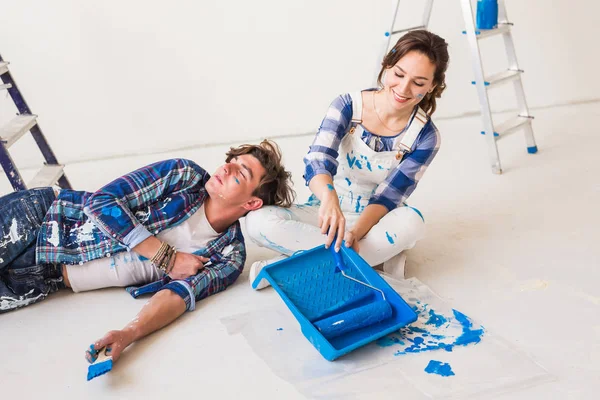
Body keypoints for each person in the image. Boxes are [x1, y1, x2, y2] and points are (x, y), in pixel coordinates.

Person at [0, 139, 294, 365]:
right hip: (40, 220)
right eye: (231, 161)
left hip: (45, 279)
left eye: (239, 174)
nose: (226, 167)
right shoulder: (185, 176)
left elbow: (179, 295)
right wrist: (167, 257)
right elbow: (100, 203)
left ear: (253, 204)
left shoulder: (229, 256)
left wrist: (129, 334)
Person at [246, 30, 449, 288]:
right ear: (387, 66)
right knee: (257, 222)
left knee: (413, 223)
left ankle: (286, 269)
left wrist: (355, 233)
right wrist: (329, 200)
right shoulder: (348, 105)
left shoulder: (426, 136)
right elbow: (318, 159)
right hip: (326, 210)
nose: (403, 89)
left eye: (418, 83)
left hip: (376, 219)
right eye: (398, 74)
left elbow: (389, 196)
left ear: (433, 85)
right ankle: (368, 261)